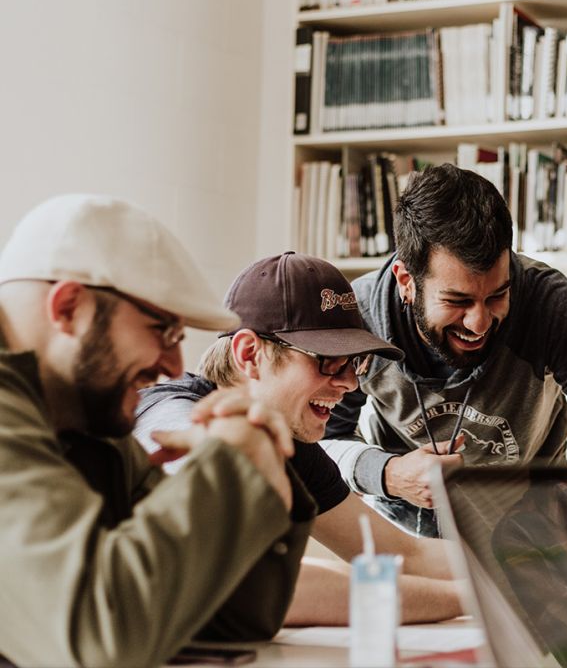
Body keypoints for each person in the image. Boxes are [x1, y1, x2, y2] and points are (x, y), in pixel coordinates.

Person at [0, 195, 316, 668]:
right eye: (163, 330)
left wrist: (260, 459)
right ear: (68, 308)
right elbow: (99, 639)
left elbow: (229, 620)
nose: (173, 366)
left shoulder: (86, 421)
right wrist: (232, 465)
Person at [135, 251, 465, 625]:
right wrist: (474, 599)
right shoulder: (170, 418)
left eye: (354, 363)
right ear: (249, 354)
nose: (350, 384)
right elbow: (257, 584)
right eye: (328, 360)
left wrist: (519, 570)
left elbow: (401, 554)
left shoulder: (289, 444)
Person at [321, 162, 567, 537]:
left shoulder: (552, 307)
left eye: (497, 295)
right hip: (405, 527)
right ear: (406, 281)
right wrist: (387, 473)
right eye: (457, 300)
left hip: (533, 525)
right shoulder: (358, 320)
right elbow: (321, 441)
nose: (479, 323)